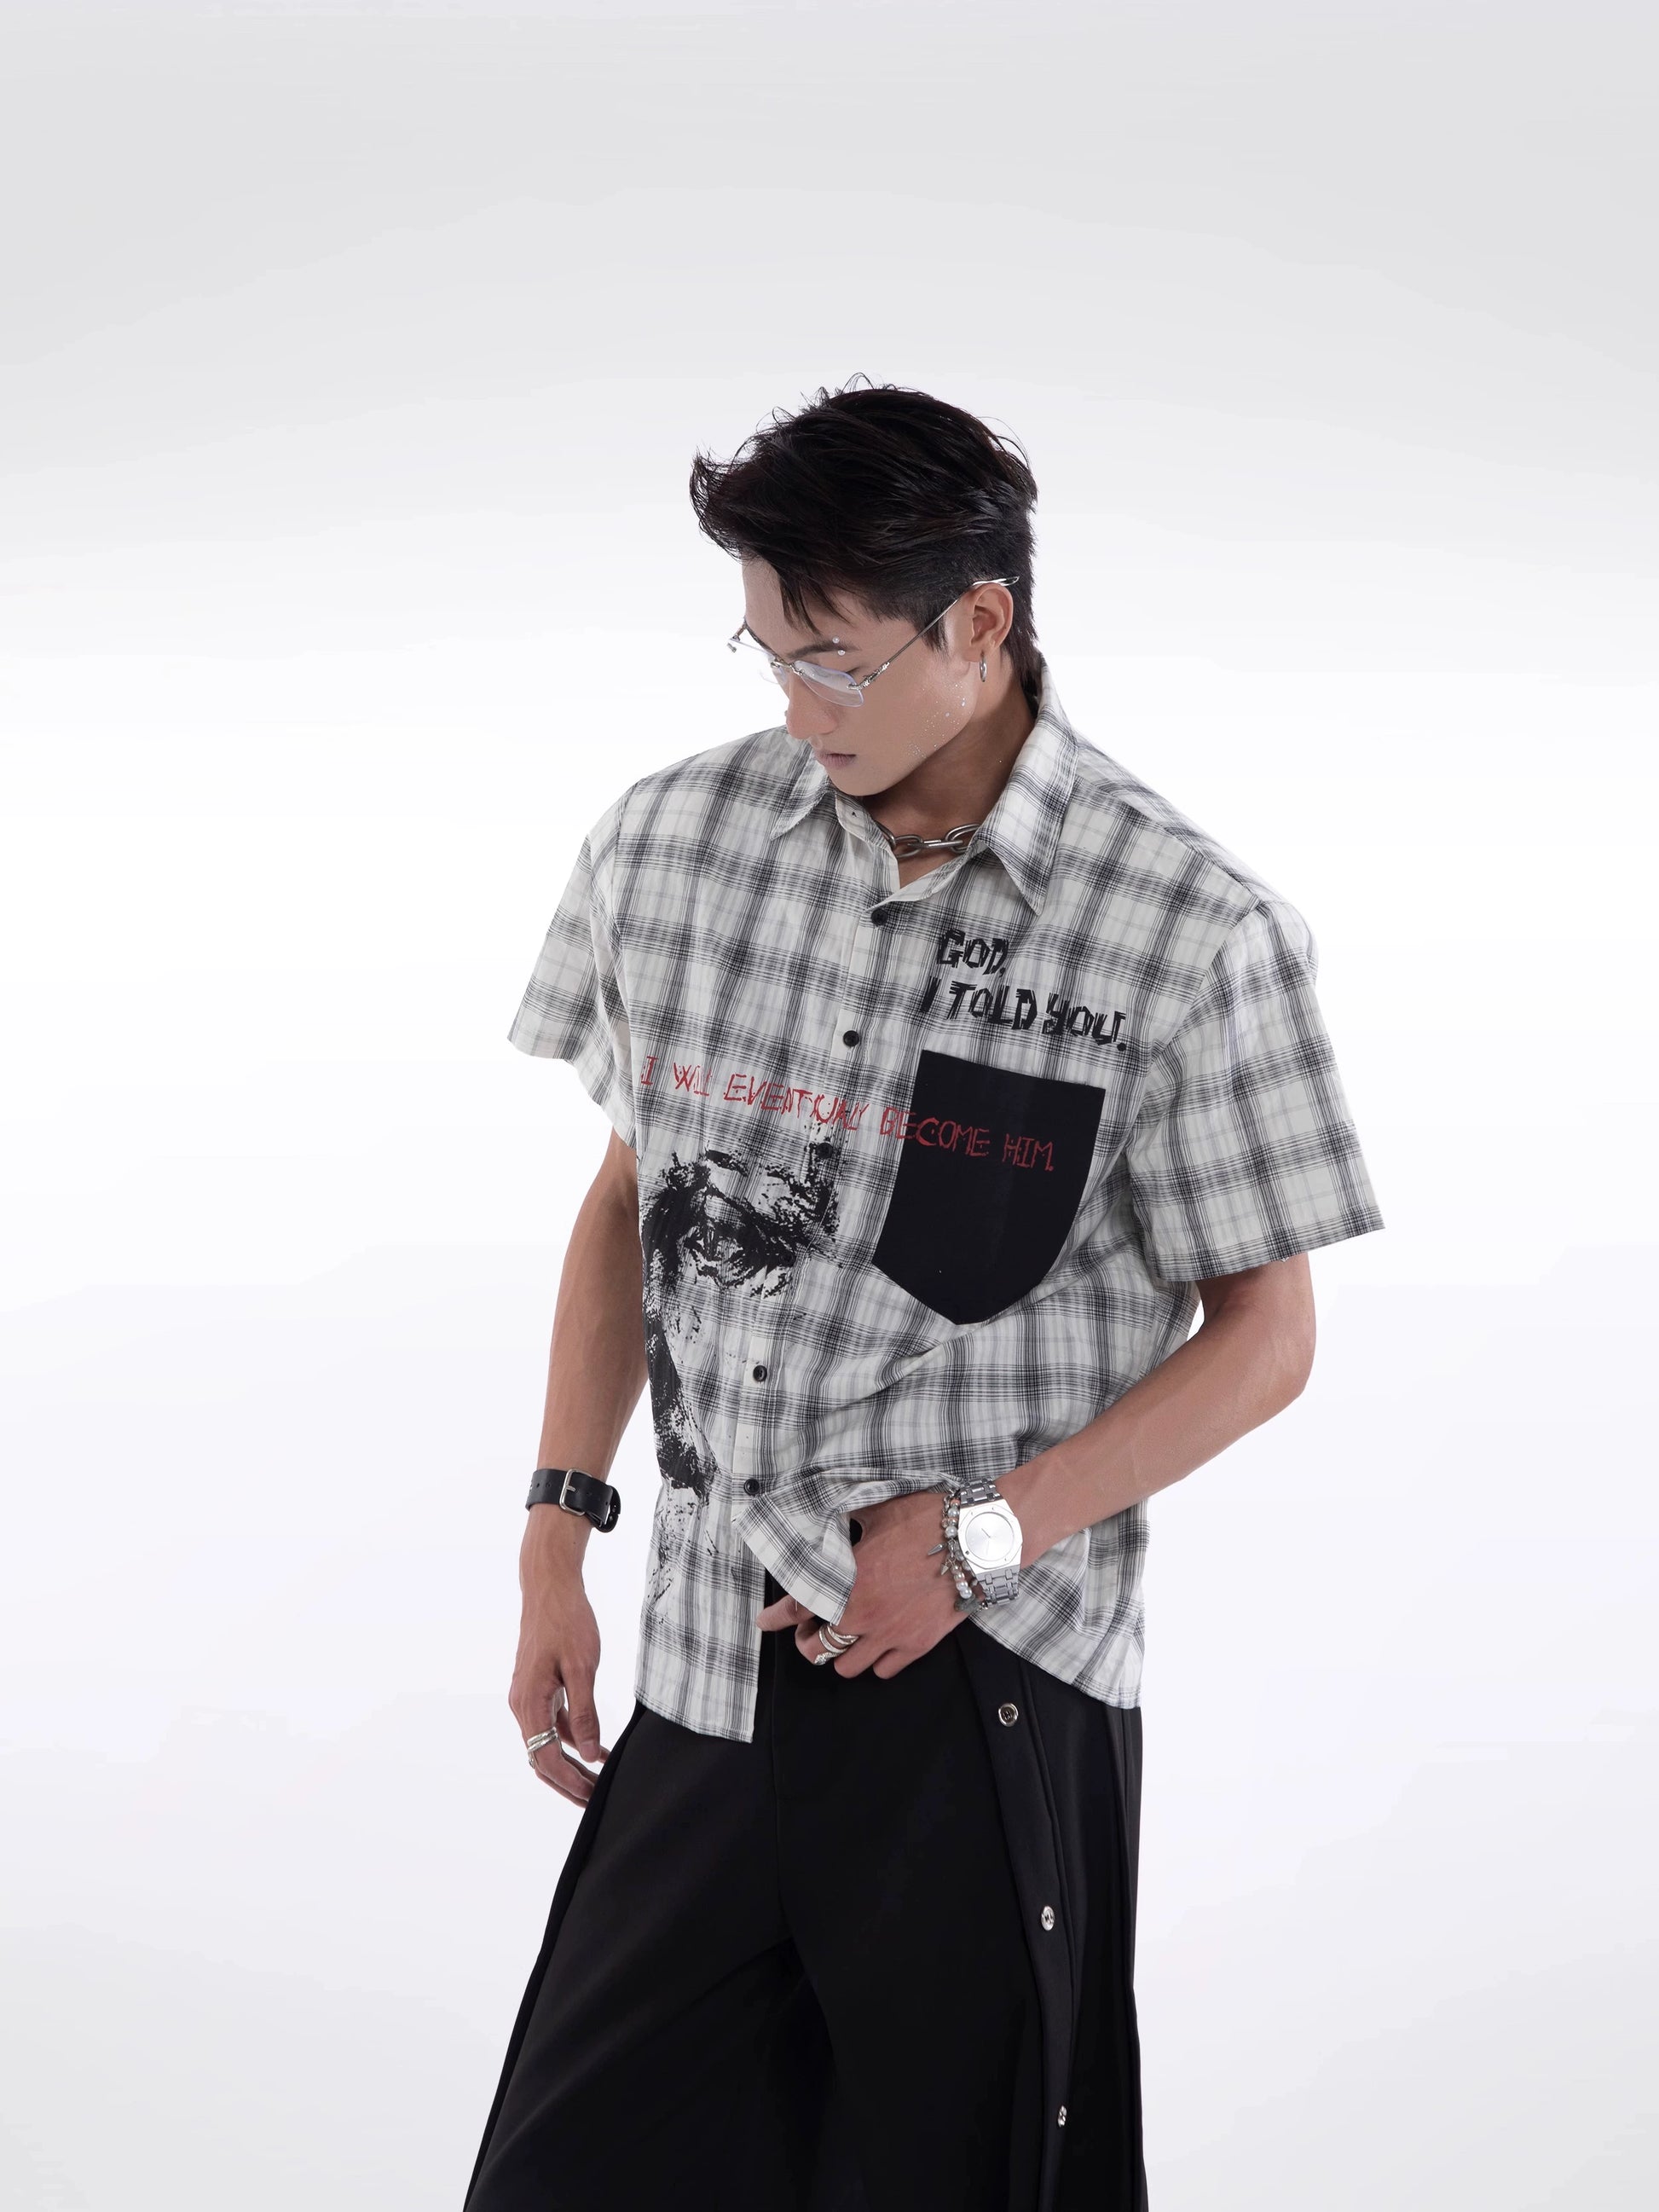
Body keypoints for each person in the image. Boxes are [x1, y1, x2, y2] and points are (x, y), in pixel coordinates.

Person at [462, 379, 1383, 2212]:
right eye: (767, 653)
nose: (797, 709)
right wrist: (558, 1527)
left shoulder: (1185, 928)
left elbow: (1266, 1337)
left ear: (980, 622)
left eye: (838, 664)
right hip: (704, 1662)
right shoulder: (665, 847)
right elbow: (633, 1197)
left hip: (978, 1691)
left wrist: (980, 1534)